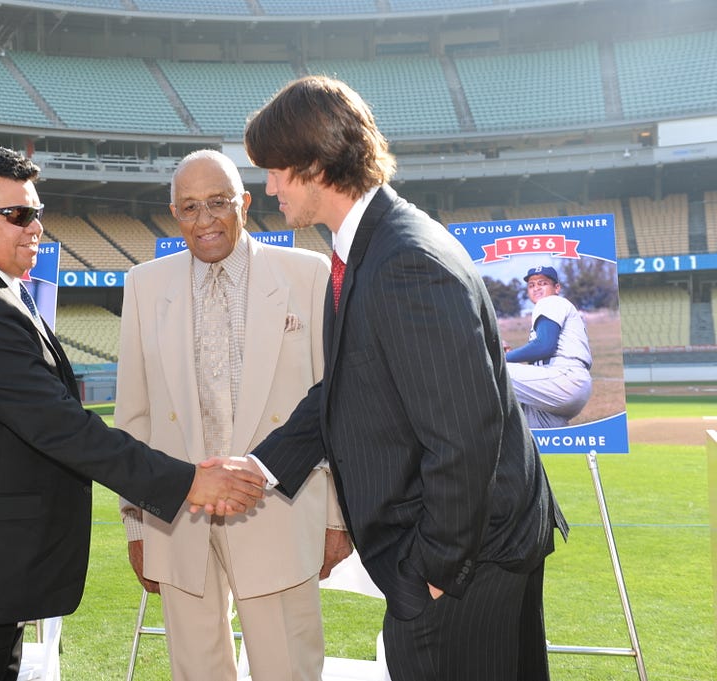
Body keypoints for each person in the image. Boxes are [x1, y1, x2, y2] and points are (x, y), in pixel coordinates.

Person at [215, 76, 569, 681]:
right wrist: (261, 468)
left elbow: (464, 435)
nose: (268, 188)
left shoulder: (404, 260)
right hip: (476, 554)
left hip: (468, 564)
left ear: (316, 165)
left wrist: (432, 571)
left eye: (275, 170)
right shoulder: (370, 247)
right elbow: (346, 386)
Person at [0, 144, 264, 681]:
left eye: (36, 212)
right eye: (17, 214)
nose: (36, 227)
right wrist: (190, 482)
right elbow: (62, 428)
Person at [115, 150, 351, 681]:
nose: (204, 220)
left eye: (218, 203)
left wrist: (337, 517)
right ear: (174, 213)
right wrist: (135, 523)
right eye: (190, 207)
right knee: (195, 672)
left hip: (280, 508)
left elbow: (333, 406)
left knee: (287, 671)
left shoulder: (308, 275)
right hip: (177, 516)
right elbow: (134, 415)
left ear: (244, 203)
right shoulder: (144, 285)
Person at [505, 265, 593, 428]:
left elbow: (544, 346)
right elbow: (542, 350)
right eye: (531, 285)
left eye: (542, 283)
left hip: (563, 378)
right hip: (562, 386)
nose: (536, 288)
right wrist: (511, 357)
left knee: (488, 370)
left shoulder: (550, 302)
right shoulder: (557, 307)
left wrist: (501, 357)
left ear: (557, 288)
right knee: (540, 436)